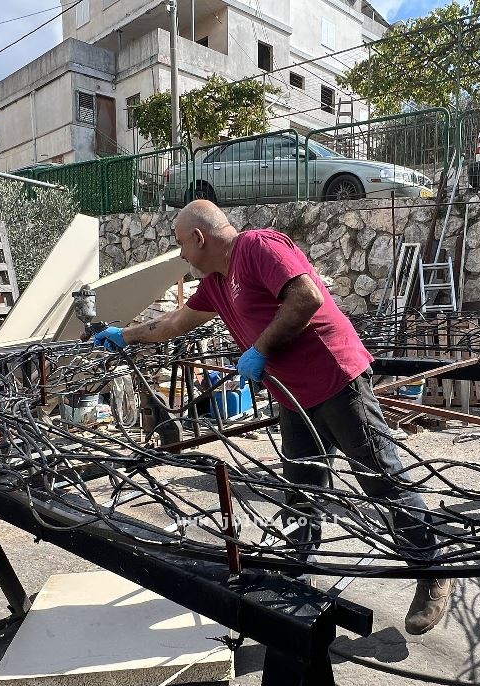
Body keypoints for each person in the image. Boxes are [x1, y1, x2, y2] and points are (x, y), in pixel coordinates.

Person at [92, 200, 452, 635]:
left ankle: (433, 570)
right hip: (293, 397)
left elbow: (307, 296)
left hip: (335, 380)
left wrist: (260, 348)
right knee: (301, 488)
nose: (182, 255)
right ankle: (298, 571)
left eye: (181, 245)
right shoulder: (217, 284)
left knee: (381, 478)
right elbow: (174, 322)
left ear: (200, 238)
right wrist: (125, 335)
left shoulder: (258, 247)